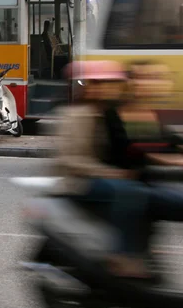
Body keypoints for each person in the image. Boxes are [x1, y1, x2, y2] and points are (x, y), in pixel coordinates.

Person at [55, 61, 182, 278]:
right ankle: (122, 257)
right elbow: (70, 160)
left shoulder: (111, 112)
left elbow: (152, 142)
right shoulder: (78, 115)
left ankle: (146, 252)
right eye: (97, 83)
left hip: (110, 177)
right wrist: (113, 173)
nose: (104, 88)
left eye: (110, 83)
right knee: (131, 191)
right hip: (81, 181)